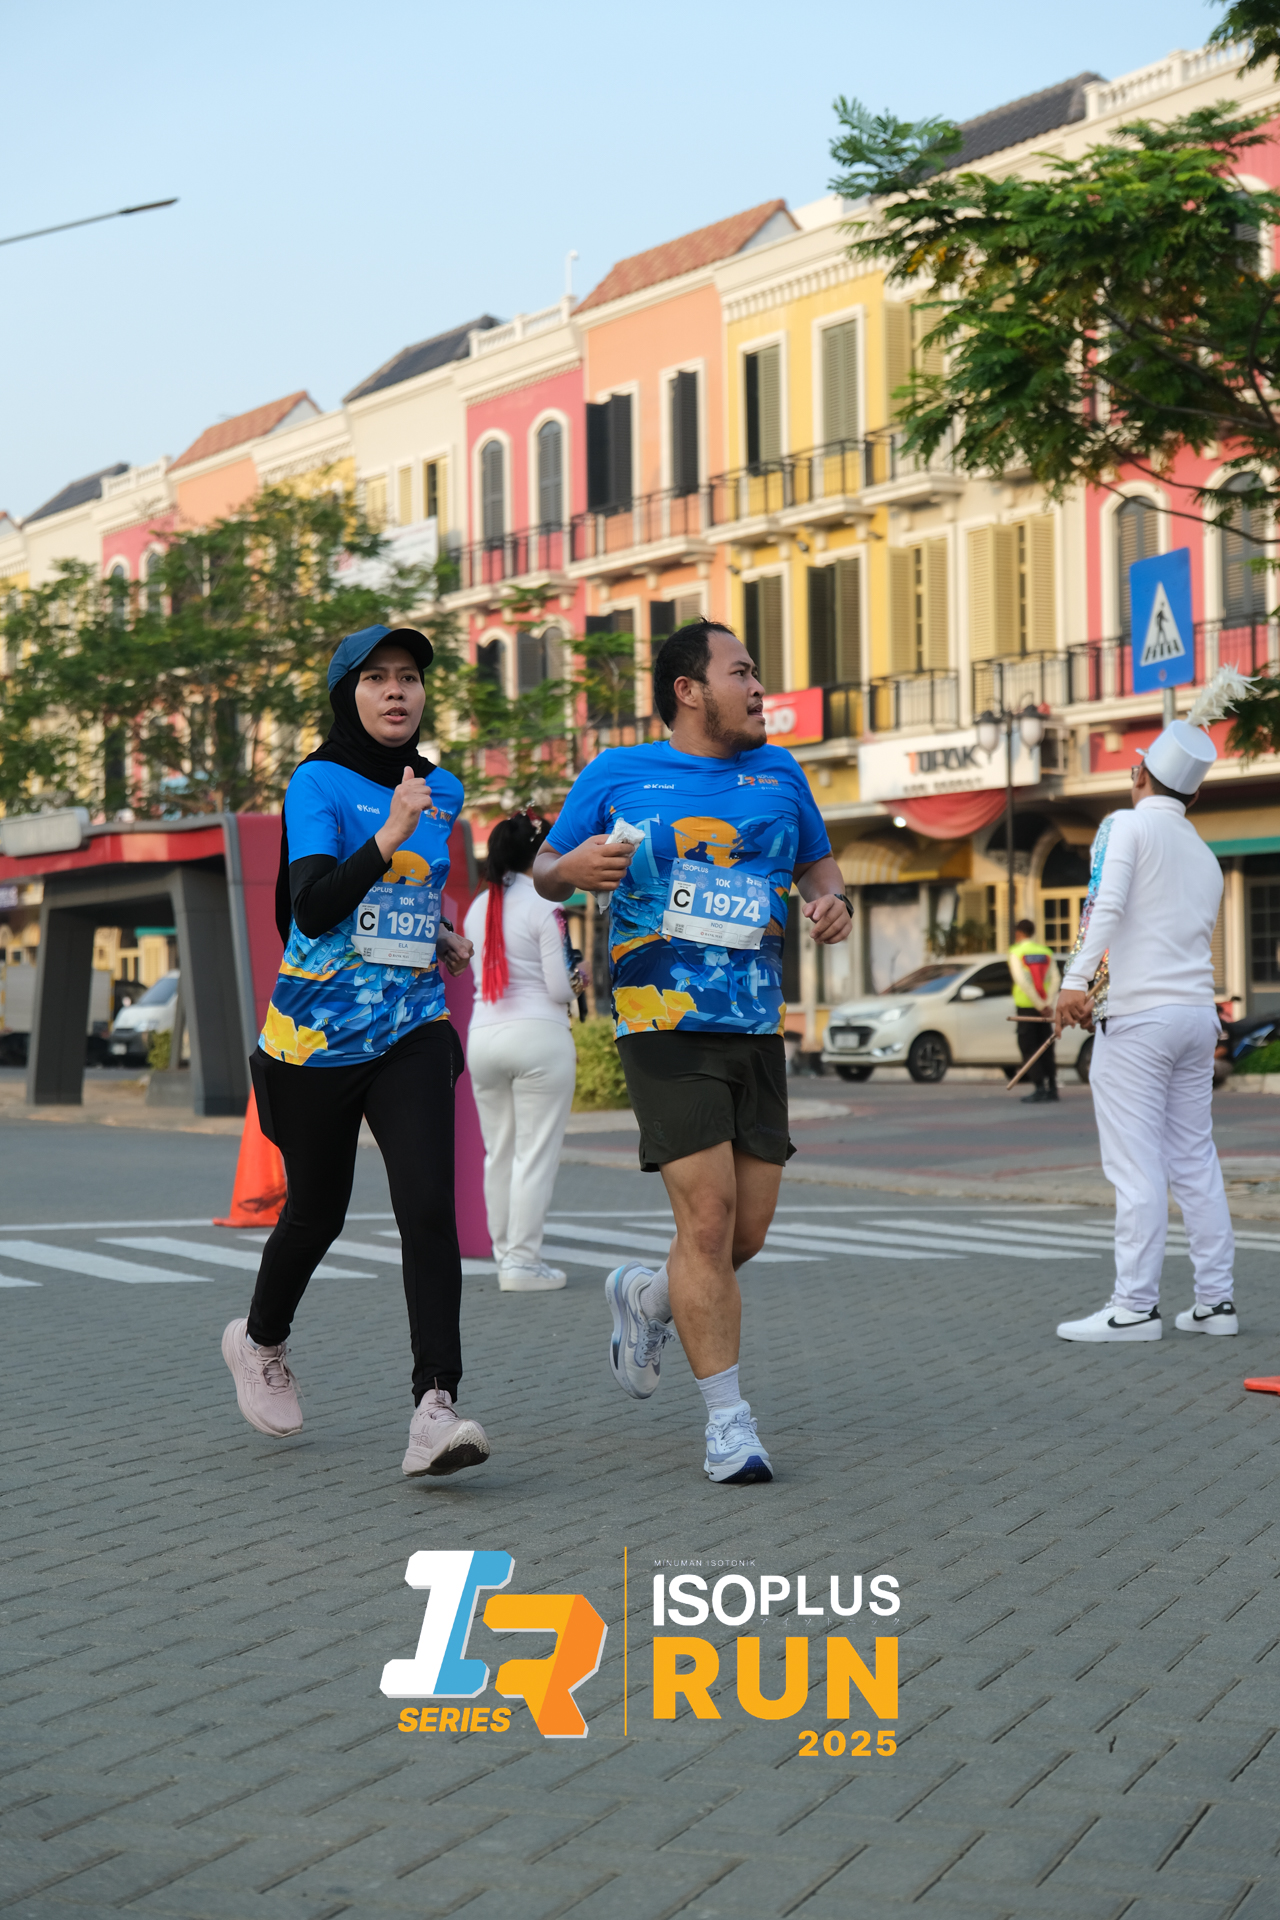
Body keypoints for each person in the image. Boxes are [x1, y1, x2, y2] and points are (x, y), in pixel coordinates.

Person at [534, 617, 851, 1483]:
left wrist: (832, 902)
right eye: (741, 672)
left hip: (755, 1023)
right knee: (706, 1223)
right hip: (661, 1021)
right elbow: (546, 867)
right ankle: (729, 1425)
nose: (759, 687)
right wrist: (572, 871)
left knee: (744, 1234)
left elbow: (818, 867)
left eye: (756, 672)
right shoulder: (617, 772)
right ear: (688, 690)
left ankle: (647, 1295)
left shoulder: (781, 772)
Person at [221, 623, 493, 1478]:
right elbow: (311, 909)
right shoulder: (318, 782)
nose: (396, 691)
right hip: (314, 1038)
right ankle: (260, 1340)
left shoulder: (443, 789)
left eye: (408, 676)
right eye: (376, 678)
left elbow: (405, 898)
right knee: (318, 1211)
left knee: (428, 1207)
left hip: (410, 1028)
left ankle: (434, 1407)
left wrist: (437, 933)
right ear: (349, 695)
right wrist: (388, 833)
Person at [1053, 710, 1236, 1343]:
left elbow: (1106, 906)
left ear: (1139, 776)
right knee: (1195, 1159)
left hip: (1139, 1021)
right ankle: (1216, 1303)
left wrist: (1075, 981)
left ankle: (1134, 1307)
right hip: (1196, 1016)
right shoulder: (1206, 855)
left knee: (1135, 1164)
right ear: (1194, 795)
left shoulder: (1126, 825)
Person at [463, 812, 578, 1292]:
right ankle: (523, 1262)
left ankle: (505, 1254)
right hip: (539, 1037)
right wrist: (579, 978)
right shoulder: (546, 904)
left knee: (500, 1153)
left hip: (483, 1037)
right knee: (534, 1154)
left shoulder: (478, 907)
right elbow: (559, 986)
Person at [1009, 918, 1061, 1104]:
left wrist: (1038, 1005)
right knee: (1046, 1046)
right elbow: (1056, 979)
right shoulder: (1046, 952)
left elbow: (1022, 982)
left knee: (1029, 1047)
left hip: (1027, 1008)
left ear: (1018, 933)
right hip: (1045, 1009)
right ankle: (1052, 1087)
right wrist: (1047, 1004)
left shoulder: (1016, 952)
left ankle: (1039, 1087)